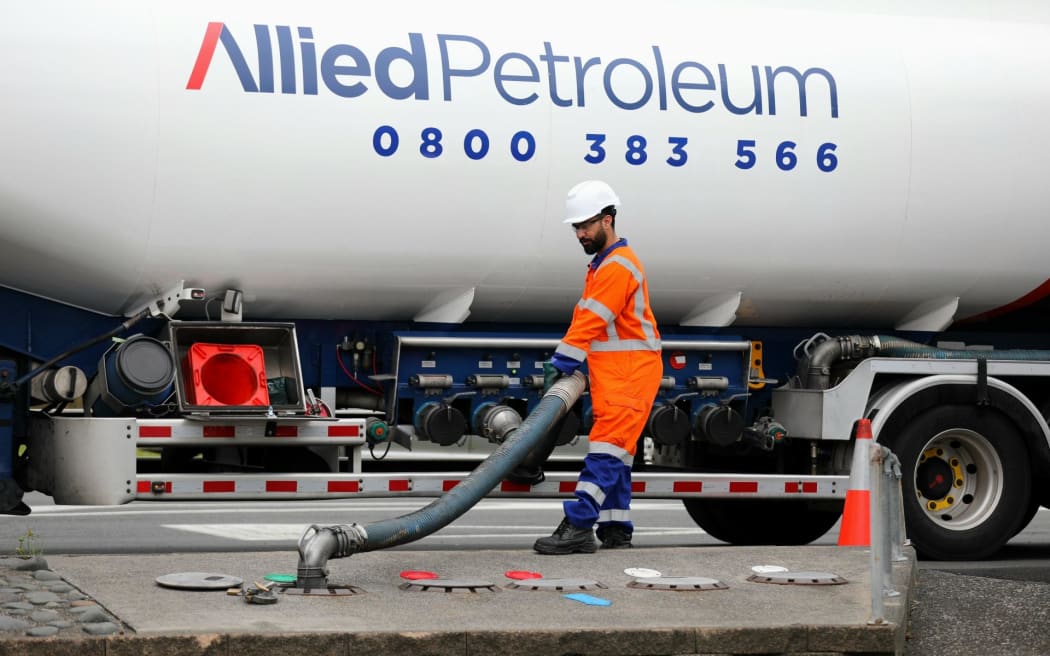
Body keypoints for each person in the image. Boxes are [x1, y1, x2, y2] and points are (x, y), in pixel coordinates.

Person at [533, 180, 663, 555]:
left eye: (586, 225)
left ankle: (578, 525)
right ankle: (616, 528)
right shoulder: (603, 265)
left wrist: (563, 362)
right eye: (576, 227)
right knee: (618, 454)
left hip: (630, 376)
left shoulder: (617, 266)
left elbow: (591, 319)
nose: (580, 233)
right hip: (617, 375)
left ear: (608, 220)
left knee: (605, 454)